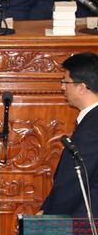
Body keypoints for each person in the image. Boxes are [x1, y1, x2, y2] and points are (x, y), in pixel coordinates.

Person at [40, 52, 98, 217]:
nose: (62, 87)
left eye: (66, 82)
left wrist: (47, 218)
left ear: (82, 87)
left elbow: (73, 185)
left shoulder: (91, 131)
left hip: (85, 227)